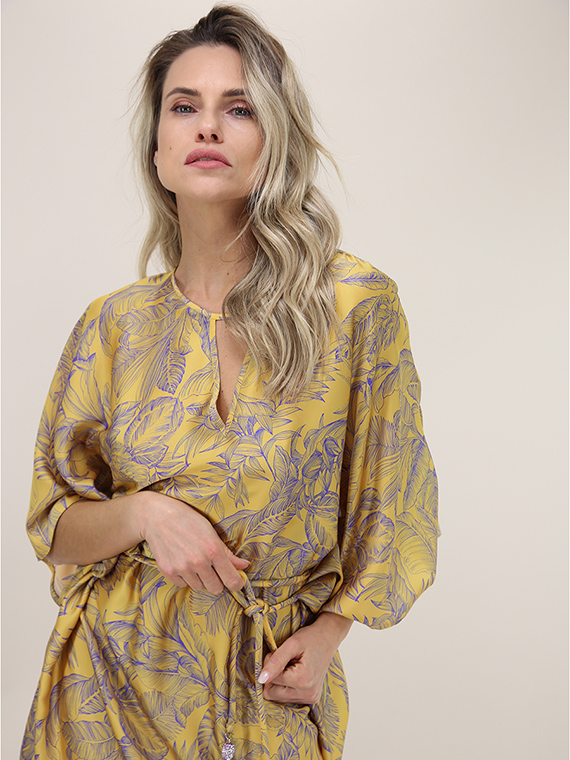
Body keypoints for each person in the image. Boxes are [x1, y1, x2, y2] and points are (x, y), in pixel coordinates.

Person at [21, 5, 439, 759]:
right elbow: (54, 525)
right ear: (158, 151)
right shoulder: (112, 326)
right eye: (184, 107)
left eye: (239, 109)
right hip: (104, 694)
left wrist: (329, 634)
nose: (208, 127)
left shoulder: (355, 307)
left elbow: (394, 505)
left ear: (275, 139)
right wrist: (145, 513)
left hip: (265, 691)